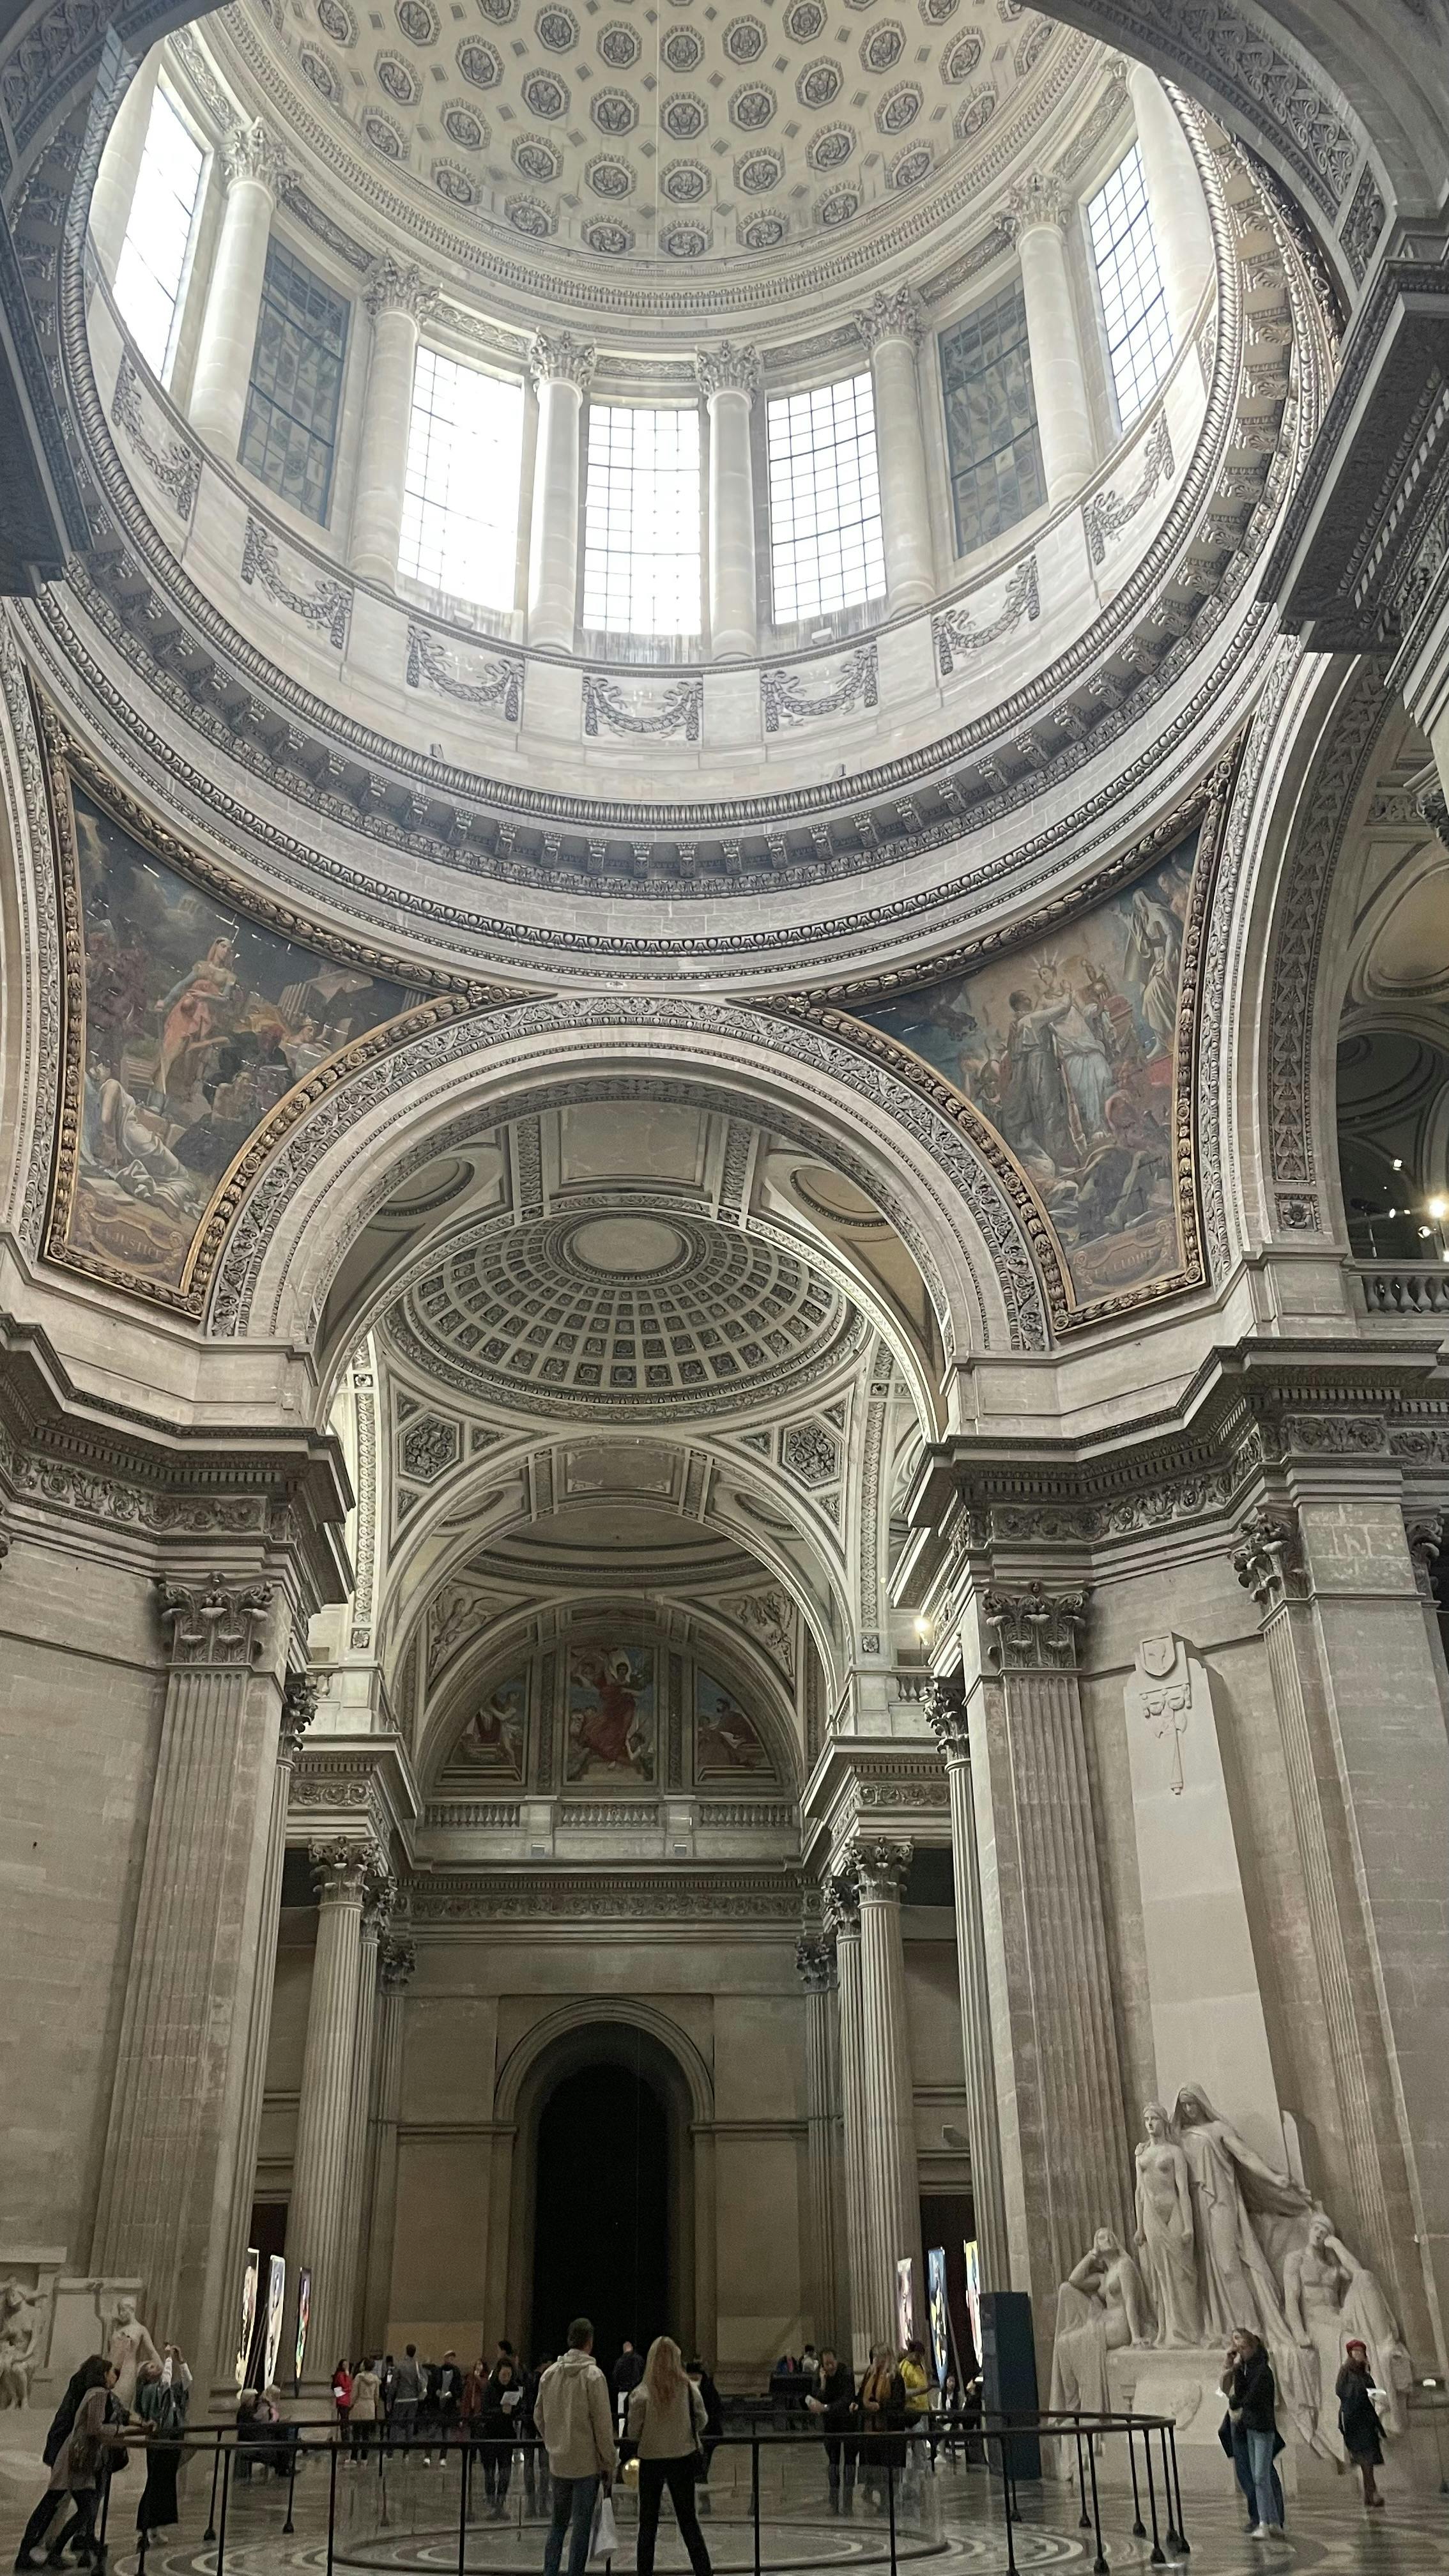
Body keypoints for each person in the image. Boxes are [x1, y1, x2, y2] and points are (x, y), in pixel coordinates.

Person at [535, 2318, 617, 2576]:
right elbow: (603, 2425)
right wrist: (609, 2461)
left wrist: (553, 2441)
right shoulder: (594, 2376)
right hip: (586, 2466)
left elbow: (539, 2416)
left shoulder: (549, 2375)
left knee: (557, 2525)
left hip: (559, 2463)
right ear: (589, 2342)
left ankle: (549, 2572)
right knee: (581, 2528)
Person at [628, 2336, 711, 2576]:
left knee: (648, 2525)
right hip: (682, 2459)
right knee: (689, 2522)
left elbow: (633, 2432)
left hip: (651, 2461)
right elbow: (701, 2420)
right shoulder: (689, 2389)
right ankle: (704, 2572)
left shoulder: (642, 2393)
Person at [14, 2359, 108, 2570]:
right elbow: (90, 2426)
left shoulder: (81, 2385)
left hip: (66, 2449)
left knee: (59, 2503)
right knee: (56, 2503)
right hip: (70, 2452)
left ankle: (39, 2550)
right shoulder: (93, 2392)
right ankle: (40, 2550)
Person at [41, 2357, 125, 2569]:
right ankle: (54, 2549)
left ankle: (56, 2548)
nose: (114, 2376)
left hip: (80, 2456)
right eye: (111, 2372)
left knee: (84, 2507)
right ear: (103, 2374)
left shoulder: (92, 2392)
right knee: (81, 2507)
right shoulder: (98, 2394)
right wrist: (119, 2430)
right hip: (82, 2458)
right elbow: (95, 2428)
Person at [1226, 2331, 1285, 2541]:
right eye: (1239, 2349)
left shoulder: (1263, 2370)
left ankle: (1264, 2522)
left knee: (1261, 2476)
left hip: (1262, 2428)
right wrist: (1236, 2368)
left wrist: (1238, 2403)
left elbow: (1251, 2397)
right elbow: (1240, 2390)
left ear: (1253, 2347)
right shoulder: (1247, 2368)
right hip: (1250, 2427)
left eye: (1244, 2348)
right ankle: (1273, 2521)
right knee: (1258, 2475)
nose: (1241, 2352)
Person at [135, 2347, 191, 2537]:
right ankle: (145, 2527)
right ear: (145, 2376)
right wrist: (168, 2359)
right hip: (159, 2440)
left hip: (172, 2438)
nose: (155, 2367)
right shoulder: (150, 2391)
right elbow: (166, 2384)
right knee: (155, 2484)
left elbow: (186, 2383)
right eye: (151, 2367)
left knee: (166, 2485)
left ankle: (156, 2527)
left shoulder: (167, 2389)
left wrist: (181, 2361)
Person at [806, 2347, 857, 2512]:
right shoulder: (820, 2375)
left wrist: (827, 2408)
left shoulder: (846, 2373)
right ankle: (834, 2502)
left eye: (832, 2363)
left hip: (847, 2423)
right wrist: (823, 2384)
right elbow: (816, 2399)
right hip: (830, 2425)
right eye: (826, 2364)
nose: (830, 2367)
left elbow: (847, 2398)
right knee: (833, 2462)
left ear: (836, 2360)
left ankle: (848, 2503)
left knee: (849, 2463)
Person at [1337, 2340, 1386, 2509]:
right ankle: (1373, 2493)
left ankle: (1369, 2495)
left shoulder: (1365, 2372)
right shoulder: (1346, 2371)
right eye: (1355, 2351)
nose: (1358, 2354)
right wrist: (1358, 2391)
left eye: (1361, 2351)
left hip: (1367, 2419)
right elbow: (1340, 2391)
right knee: (1365, 2459)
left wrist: (1382, 2395)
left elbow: (1373, 2391)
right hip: (1353, 2420)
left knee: (1368, 2459)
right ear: (1350, 2354)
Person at [857, 2345, 906, 2513]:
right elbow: (862, 2395)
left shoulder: (895, 2377)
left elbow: (899, 2403)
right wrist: (857, 2404)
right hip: (870, 2430)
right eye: (876, 2357)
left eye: (882, 2357)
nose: (878, 2360)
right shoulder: (870, 2374)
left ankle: (887, 2503)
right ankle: (877, 2496)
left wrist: (881, 2406)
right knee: (874, 2469)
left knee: (888, 2470)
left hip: (889, 2430)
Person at [481, 2356, 523, 2515]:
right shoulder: (489, 2388)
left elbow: (520, 2407)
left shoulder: (514, 2388)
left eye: (509, 2375)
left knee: (505, 2472)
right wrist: (501, 2410)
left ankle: (500, 2504)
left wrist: (513, 2410)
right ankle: (492, 2503)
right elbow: (485, 2410)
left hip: (506, 2435)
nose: (506, 2378)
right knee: (490, 2472)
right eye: (504, 2374)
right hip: (490, 2435)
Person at [684, 2358, 723, 2515]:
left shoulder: (708, 2390)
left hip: (708, 2436)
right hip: (692, 2436)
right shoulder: (688, 2390)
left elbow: (715, 2411)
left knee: (702, 2470)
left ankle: (703, 2503)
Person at [392, 2344, 424, 2451]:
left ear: (406, 2351)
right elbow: (422, 2380)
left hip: (401, 2398)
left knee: (395, 2424)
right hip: (413, 2398)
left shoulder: (400, 2364)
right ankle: (407, 2451)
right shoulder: (417, 2365)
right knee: (410, 2424)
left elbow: (394, 2384)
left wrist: (389, 2398)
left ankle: (391, 2450)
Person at [351, 2358, 382, 2462]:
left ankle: (354, 2457)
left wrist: (351, 2404)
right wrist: (375, 2405)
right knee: (366, 2434)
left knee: (356, 2433)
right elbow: (377, 2395)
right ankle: (365, 2457)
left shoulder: (359, 2377)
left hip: (360, 2404)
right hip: (370, 2406)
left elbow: (354, 2393)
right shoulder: (376, 2379)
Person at [332, 2358, 353, 2443]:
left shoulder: (345, 2375)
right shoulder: (340, 2375)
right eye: (344, 2365)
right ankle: (345, 2438)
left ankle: (345, 2437)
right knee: (344, 2419)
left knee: (345, 2419)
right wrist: (347, 2376)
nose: (346, 2366)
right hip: (342, 2400)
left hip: (345, 2399)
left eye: (347, 2365)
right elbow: (345, 2385)